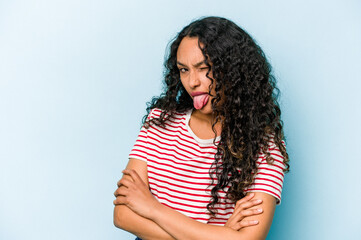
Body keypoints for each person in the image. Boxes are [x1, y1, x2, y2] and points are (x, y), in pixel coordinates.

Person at [113, 16, 290, 240]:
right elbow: (122, 215)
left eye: (203, 68)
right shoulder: (159, 121)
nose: (192, 82)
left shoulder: (264, 145)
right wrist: (219, 234)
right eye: (184, 70)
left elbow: (248, 239)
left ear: (234, 70)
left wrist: (152, 209)